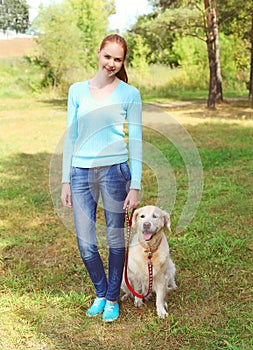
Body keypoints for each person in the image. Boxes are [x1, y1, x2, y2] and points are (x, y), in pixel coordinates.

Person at [61, 34, 142, 322]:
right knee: (85, 243)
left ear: (123, 63)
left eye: (117, 59)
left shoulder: (130, 94)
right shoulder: (76, 91)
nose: (111, 63)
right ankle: (100, 291)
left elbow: (137, 141)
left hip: (115, 173)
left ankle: (111, 298)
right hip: (80, 173)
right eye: (107, 56)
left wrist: (136, 185)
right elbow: (70, 136)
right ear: (98, 53)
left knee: (115, 239)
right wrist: (65, 180)